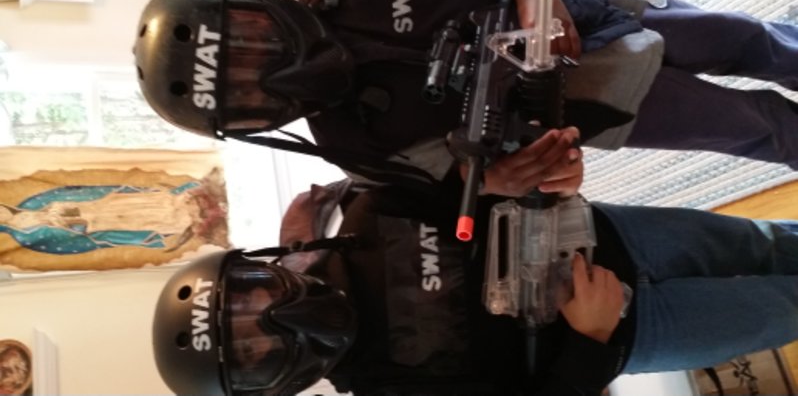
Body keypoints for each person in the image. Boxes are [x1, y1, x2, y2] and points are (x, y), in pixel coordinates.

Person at [151, 127, 798, 396]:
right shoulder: (387, 386)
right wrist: (592, 337)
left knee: (763, 241)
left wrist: (539, 175)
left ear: (261, 268)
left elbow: (476, 179)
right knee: (784, 309)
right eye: (256, 347)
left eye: (254, 300)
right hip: (635, 330)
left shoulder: (371, 215)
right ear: (268, 385)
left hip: (619, 236)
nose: (281, 318)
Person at [133, 0, 798, 188]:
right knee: (752, 127)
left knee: (750, 41)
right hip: (593, 104)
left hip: (588, 8)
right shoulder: (351, 147)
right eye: (246, 88)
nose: (272, 70)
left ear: (255, 2)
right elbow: (455, 183)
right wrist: (504, 179)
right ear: (247, 126)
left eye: (251, 42)